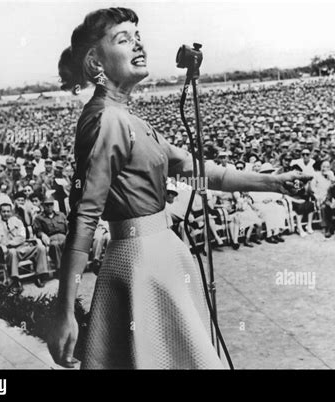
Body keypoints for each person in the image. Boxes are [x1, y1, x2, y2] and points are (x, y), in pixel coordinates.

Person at [47, 7, 310, 370]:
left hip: (160, 256)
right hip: (141, 263)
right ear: (95, 62)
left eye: (138, 37)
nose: (138, 45)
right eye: (124, 40)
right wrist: (64, 312)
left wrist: (273, 183)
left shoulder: (129, 119)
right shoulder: (108, 120)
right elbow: (84, 218)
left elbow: (199, 173)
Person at [0, 203, 49, 289]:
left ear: (11, 212)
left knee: (40, 248)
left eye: (8, 211)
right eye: (3, 211)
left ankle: (40, 275)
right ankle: (15, 279)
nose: (6, 214)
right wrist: (5, 244)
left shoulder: (18, 222)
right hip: (10, 252)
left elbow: (22, 237)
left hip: (22, 247)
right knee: (12, 252)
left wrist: (9, 242)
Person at [33, 195, 67, 271]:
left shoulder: (61, 215)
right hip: (51, 239)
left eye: (51, 204)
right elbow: (37, 230)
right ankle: (60, 269)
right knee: (55, 245)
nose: (49, 207)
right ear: (42, 205)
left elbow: (68, 227)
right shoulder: (39, 218)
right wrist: (42, 234)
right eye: (46, 205)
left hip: (64, 237)